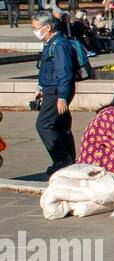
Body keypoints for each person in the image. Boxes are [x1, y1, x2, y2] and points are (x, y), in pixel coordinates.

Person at [32, 12, 79, 176]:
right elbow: (47, 70)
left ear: (48, 27)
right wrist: (40, 88)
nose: (35, 31)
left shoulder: (59, 45)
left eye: (36, 28)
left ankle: (62, 160)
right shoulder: (51, 43)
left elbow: (64, 72)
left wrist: (62, 97)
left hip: (57, 91)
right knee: (61, 125)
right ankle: (69, 160)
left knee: (44, 124)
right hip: (51, 90)